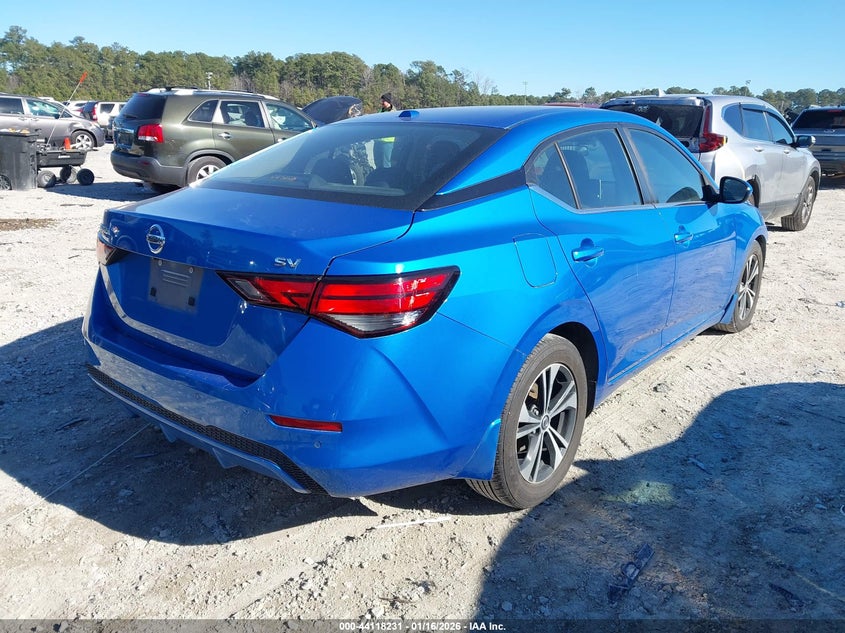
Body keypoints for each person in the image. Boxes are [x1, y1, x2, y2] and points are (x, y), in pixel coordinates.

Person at [374, 93, 400, 168]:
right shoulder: (380, 111)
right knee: (378, 162)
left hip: (388, 142)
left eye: (383, 101)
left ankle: (386, 176)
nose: (381, 103)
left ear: (388, 101)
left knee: (386, 162)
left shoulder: (393, 113)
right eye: (381, 101)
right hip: (378, 141)